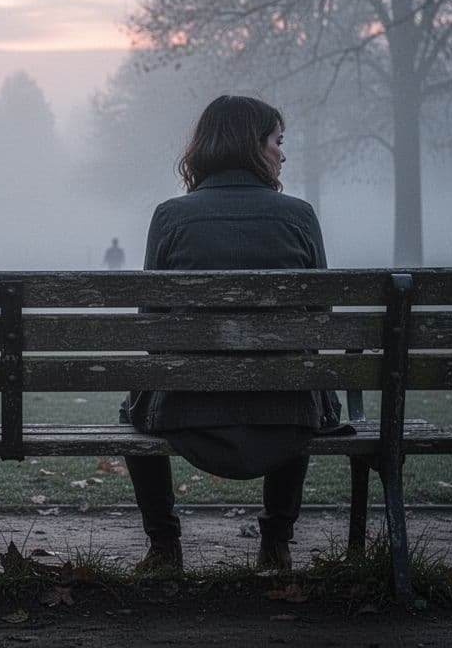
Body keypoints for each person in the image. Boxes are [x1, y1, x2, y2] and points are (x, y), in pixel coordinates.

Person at [120, 95, 330, 572]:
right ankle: (276, 541)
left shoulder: (170, 218)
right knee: (298, 379)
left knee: (128, 408)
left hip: (185, 412)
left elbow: (151, 322)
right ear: (254, 146)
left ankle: (164, 546)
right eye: (278, 141)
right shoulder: (299, 218)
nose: (283, 152)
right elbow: (320, 316)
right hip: (286, 414)